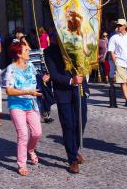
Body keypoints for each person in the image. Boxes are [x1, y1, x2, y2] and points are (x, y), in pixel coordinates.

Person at [2, 42, 49, 176]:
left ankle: (31, 149)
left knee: (37, 133)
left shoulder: (31, 66)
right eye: (26, 51)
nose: (29, 52)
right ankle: (21, 164)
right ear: (18, 54)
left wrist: (44, 79)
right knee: (23, 134)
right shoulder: (10, 69)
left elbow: (36, 79)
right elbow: (9, 91)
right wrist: (28, 92)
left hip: (31, 104)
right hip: (16, 105)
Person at [44, 39, 89, 174]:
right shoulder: (50, 51)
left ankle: (73, 148)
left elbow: (87, 62)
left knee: (81, 121)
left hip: (80, 90)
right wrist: (70, 80)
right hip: (63, 93)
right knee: (68, 124)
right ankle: (72, 159)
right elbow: (54, 74)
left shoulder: (78, 44)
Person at [108, 19, 127, 107]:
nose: (119, 27)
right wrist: (115, 63)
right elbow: (111, 51)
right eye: (118, 25)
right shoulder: (114, 37)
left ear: (125, 26)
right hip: (120, 62)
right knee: (123, 81)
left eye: (121, 25)